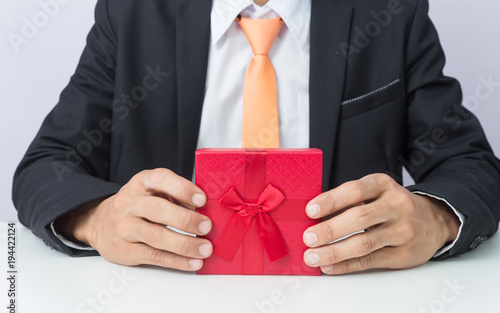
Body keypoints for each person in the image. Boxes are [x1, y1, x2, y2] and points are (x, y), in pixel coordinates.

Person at [12, 0, 500, 275]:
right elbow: (45, 166)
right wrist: (97, 220)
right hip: (161, 305)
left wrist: (434, 220)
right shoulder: (131, 12)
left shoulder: (390, 13)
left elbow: (472, 167)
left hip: (346, 306)